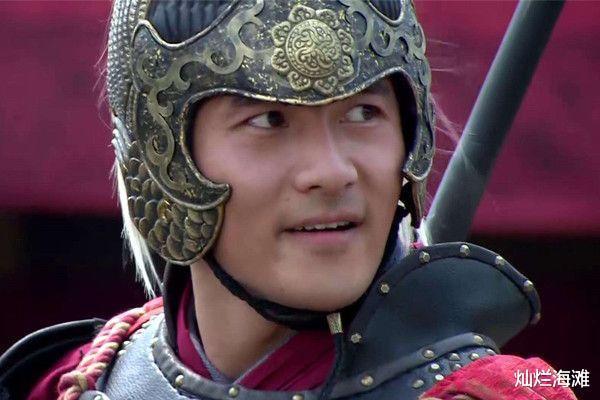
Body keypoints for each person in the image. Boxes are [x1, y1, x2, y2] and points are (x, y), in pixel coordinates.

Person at [0, 1, 578, 399]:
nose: (332, 171)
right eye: (269, 120)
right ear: (165, 157)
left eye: (363, 112)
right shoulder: (72, 383)